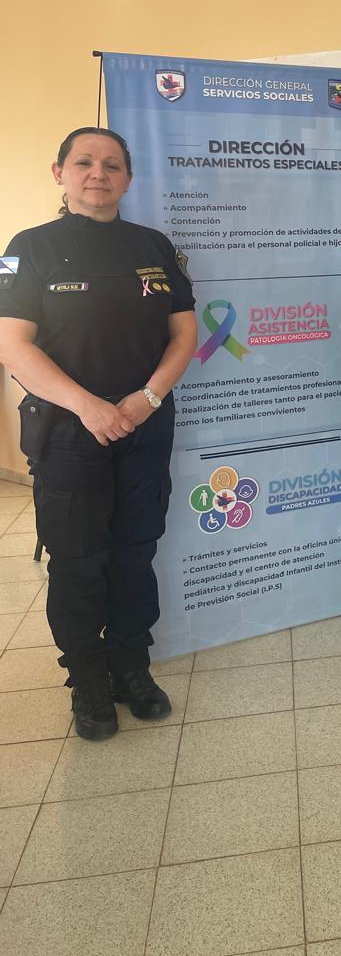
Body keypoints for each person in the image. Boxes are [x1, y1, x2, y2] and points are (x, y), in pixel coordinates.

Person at [0, 128, 197, 740]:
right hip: (68, 430)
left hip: (143, 424)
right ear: (59, 172)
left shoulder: (154, 246)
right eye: (83, 162)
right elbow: (12, 344)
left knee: (137, 550)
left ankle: (131, 666)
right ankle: (87, 678)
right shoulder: (28, 247)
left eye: (112, 165)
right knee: (78, 558)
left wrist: (147, 398)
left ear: (128, 179)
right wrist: (90, 408)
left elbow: (184, 334)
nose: (98, 173)